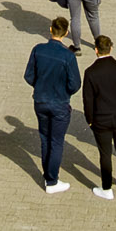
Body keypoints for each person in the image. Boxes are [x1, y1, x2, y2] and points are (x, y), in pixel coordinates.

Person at [25, 17, 81, 193]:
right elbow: (75, 84)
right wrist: (64, 92)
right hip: (59, 103)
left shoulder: (38, 50)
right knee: (56, 141)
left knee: (44, 137)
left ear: (50, 29)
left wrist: (39, 85)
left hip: (40, 100)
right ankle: (52, 180)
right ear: (65, 33)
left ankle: (47, 174)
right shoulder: (68, 56)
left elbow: (29, 75)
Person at [82, 35, 116, 198]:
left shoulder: (90, 72)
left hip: (101, 120)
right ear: (111, 48)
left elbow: (88, 100)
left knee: (105, 154)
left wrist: (90, 120)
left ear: (96, 50)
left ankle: (106, 188)